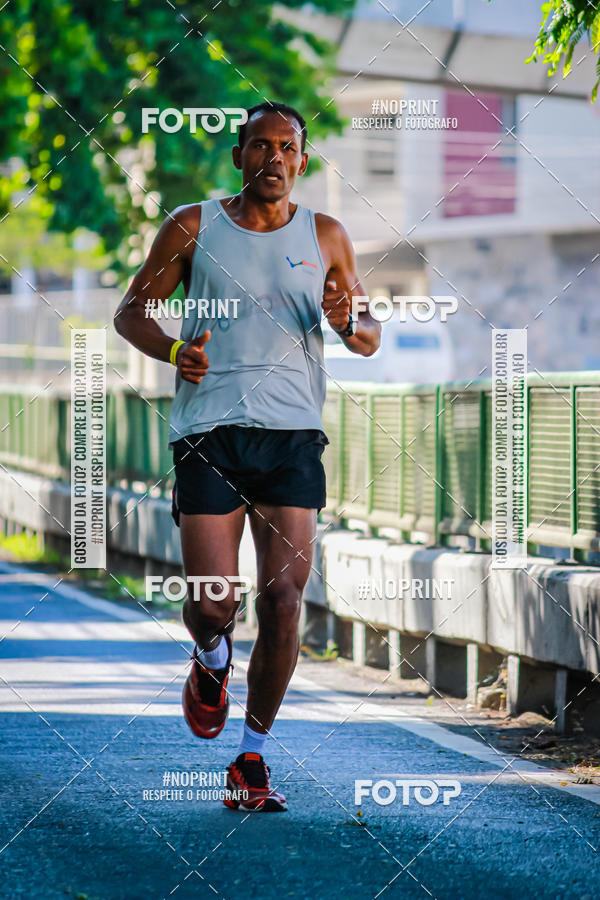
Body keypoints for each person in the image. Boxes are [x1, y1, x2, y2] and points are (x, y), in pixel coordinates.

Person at [114, 101, 380, 812]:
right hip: (209, 431)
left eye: (286, 147)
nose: (272, 158)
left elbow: (367, 334)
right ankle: (210, 658)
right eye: (258, 146)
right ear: (239, 156)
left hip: (292, 435)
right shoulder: (194, 226)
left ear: (301, 159)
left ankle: (251, 757)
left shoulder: (325, 234)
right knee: (213, 602)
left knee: (285, 599)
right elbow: (131, 310)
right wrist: (174, 350)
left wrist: (347, 319)